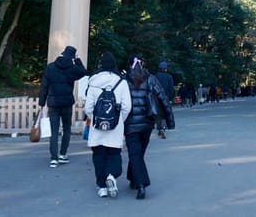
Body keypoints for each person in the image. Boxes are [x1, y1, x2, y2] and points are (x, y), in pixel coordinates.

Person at [124, 56, 175, 200]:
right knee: (138, 153)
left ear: (129, 65)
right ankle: (133, 178)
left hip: (130, 123)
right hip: (147, 122)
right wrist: (169, 121)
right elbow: (163, 98)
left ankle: (141, 184)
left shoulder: (124, 80)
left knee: (135, 153)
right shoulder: (150, 78)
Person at [85, 52, 132, 198]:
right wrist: (119, 121)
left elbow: (88, 108)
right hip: (115, 127)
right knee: (114, 154)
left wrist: (95, 118)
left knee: (98, 156)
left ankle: (102, 187)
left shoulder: (93, 82)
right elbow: (127, 106)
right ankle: (111, 176)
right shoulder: (121, 82)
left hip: (97, 126)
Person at [37, 46, 87, 168]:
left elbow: (44, 86)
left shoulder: (50, 67)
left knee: (54, 131)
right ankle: (62, 154)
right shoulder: (72, 69)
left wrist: (41, 103)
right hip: (67, 103)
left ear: (63, 54)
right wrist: (78, 59)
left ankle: (53, 158)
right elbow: (83, 72)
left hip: (53, 103)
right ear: (72, 56)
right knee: (66, 129)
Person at [153, 61, 175, 138]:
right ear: (165, 69)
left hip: (157, 97)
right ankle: (164, 127)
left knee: (158, 113)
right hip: (166, 97)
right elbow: (171, 89)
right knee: (165, 113)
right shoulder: (169, 77)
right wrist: (170, 98)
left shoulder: (155, 76)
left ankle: (160, 128)